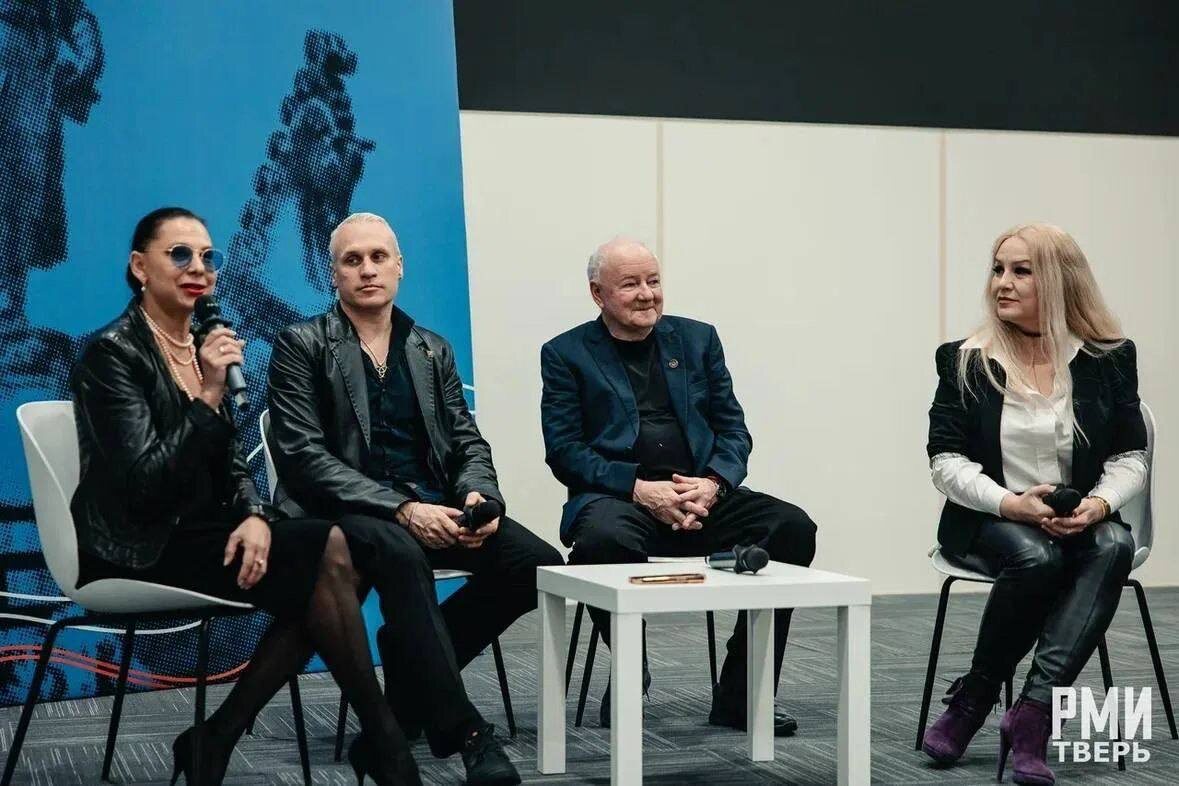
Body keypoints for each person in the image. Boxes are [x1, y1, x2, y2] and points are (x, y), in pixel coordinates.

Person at [70, 207, 419, 785]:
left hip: (207, 530)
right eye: (179, 254)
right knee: (326, 562)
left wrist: (256, 515)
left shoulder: (201, 343)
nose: (198, 268)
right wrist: (208, 396)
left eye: (208, 257)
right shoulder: (112, 354)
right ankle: (384, 744)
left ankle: (220, 737)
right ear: (139, 267)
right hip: (139, 543)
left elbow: (231, 459)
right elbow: (143, 487)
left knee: (332, 559)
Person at [267, 212, 562, 786]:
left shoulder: (430, 349)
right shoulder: (301, 344)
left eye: (378, 257)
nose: (367, 269)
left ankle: (405, 678)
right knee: (401, 551)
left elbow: (465, 440)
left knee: (535, 564)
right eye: (353, 260)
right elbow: (303, 458)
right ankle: (466, 733)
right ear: (334, 274)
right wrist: (401, 509)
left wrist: (479, 496)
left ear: (399, 266)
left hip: (430, 506)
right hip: (343, 515)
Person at [539, 237, 817, 733]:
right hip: (622, 500)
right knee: (600, 543)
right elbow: (565, 451)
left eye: (653, 280)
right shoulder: (565, 353)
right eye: (630, 284)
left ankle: (741, 695)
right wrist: (639, 489)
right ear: (598, 293)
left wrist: (713, 484)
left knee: (793, 528)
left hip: (701, 496)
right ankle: (631, 663)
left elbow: (733, 430)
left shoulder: (697, 340)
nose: (647, 294)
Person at [922, 223, 1147, 784]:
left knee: (1114, 543)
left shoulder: (1109, 358)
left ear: (1060, 281)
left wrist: (1099, 505)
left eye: (1021, 271)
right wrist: (1011, 505)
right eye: (998, 269)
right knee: (1037, 557)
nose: (1002, 283)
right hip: (991, 518)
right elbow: (946, 461)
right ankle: (976, 697)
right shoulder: (964, 359)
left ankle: (1033, 712)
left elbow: (1130, 457)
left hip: (1079, 515)